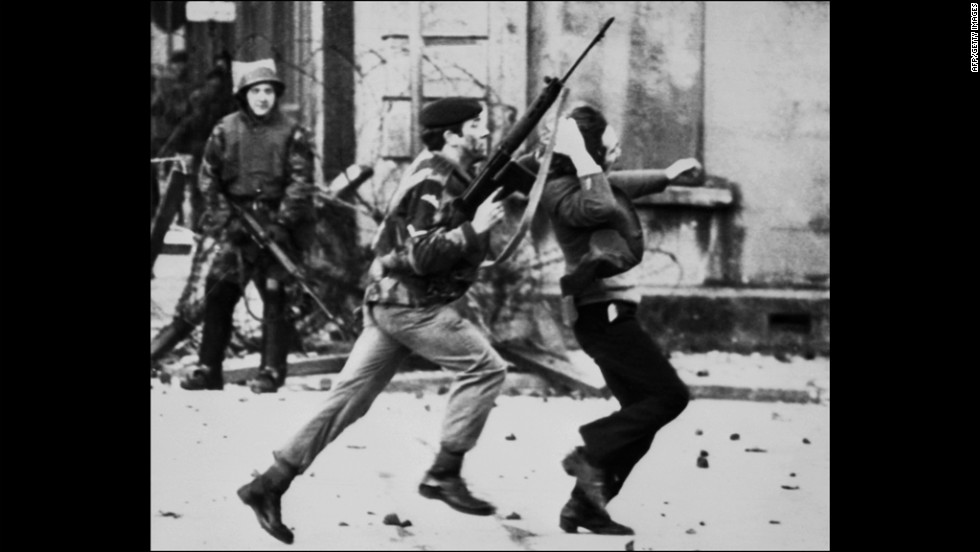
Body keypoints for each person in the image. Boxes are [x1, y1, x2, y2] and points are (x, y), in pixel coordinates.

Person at [236, 97, 509, 544]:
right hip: (409, 305)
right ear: (452, 135)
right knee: (486, 368)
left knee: (349, 399)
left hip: (390, 302)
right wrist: (471, 231)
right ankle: (445, 472)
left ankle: (267, 485)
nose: (485, 132)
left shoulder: (440, 170)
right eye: (477, 125)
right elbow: (421, 254)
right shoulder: (434, 178)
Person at [538, 105, 700, 535]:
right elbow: (599, 201)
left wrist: (667, 174)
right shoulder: (563, 192)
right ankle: (591, 449)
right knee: (669, 398)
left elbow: (622, 185)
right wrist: (582, 156)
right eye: (609, 147)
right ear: (584, 153)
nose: (618, 151)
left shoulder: (584, 181)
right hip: (600, 316)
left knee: (641, 414)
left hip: (609, 315)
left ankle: (585, 507)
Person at [178, 60, 315, 394]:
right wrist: (225, 218)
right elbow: (207, 176)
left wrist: (282, 223)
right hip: (236, 225)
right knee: (219, 292)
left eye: (269, 91)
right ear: (244, 95)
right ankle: (208, 368)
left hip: (274, 225)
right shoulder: (225, 129)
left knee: (274, 294)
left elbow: (301, 182)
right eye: (256, 91)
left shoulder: (292, 131)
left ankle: (270, 371)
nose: (263, 97)